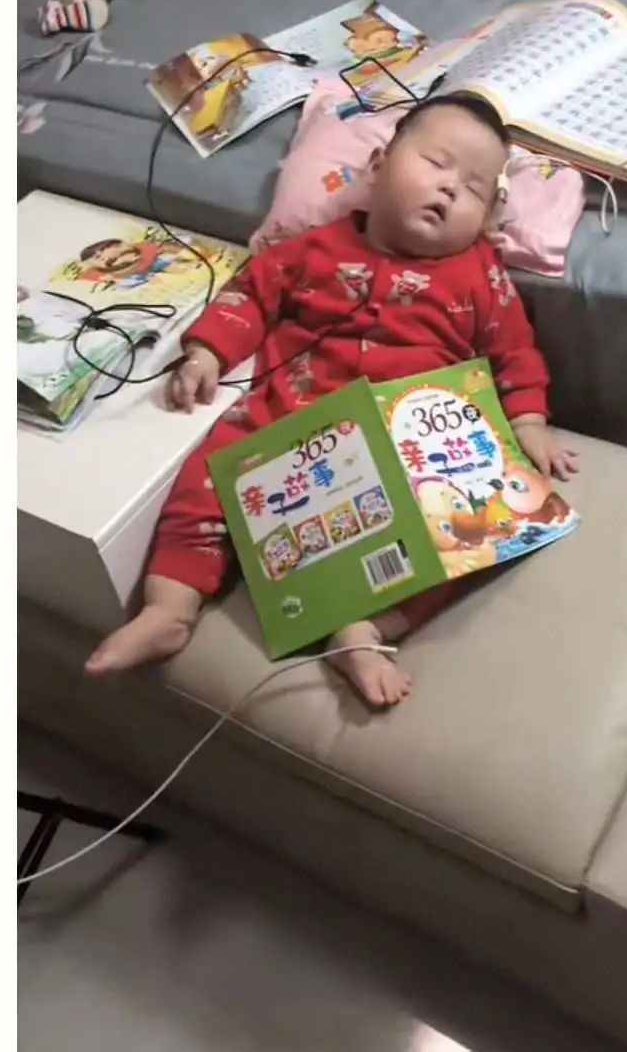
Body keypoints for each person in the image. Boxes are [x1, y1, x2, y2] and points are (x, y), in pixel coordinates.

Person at [86, 91, 580, 711]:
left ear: (486, 220)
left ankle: (367, 628)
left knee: (482, 522)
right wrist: (208, 353)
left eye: (476, 189)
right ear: (377, 166)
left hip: (411, 441)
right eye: (436, 163)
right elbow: (252, 294)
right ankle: (170, 608)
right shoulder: (314, 249)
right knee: (209, 481)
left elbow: (515, 352)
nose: (450, 187)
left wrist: (529, 420)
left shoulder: (481, 275)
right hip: (293, 420)